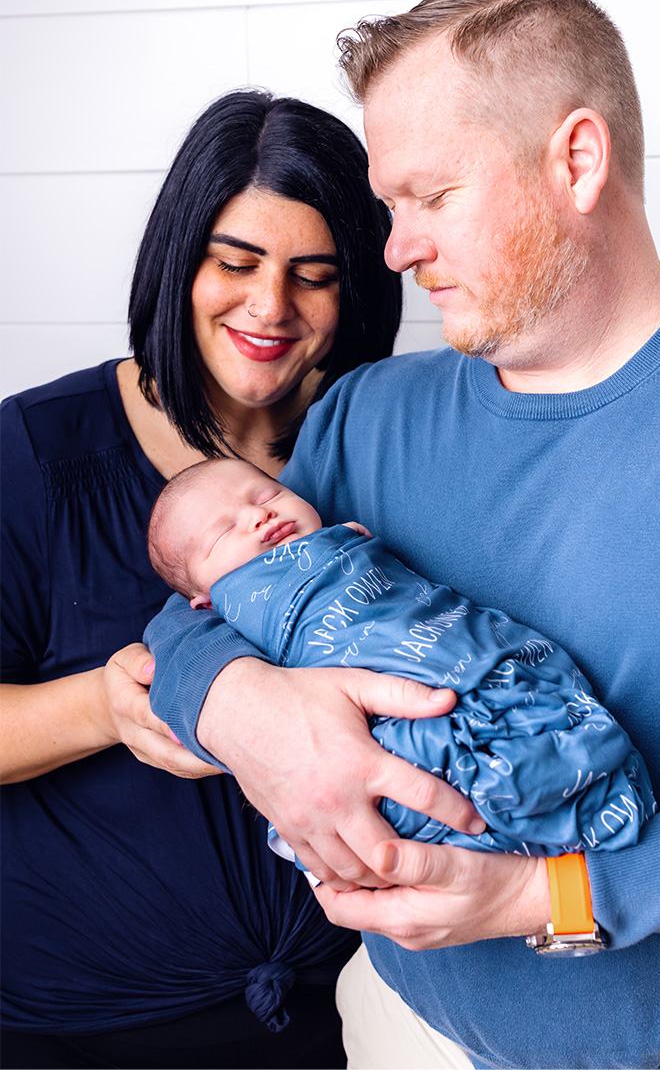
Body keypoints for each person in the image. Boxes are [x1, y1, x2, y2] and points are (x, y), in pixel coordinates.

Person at [136, 0, 660, 1070]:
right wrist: (238, 703)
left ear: (574, 160)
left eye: (428, 197)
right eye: (387, 206)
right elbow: (197, 607)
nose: (391, 250)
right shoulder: (365, 414)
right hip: (407, 1032)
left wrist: (542, 896)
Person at [0, 88, 409, 1069]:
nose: (270, 308)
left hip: (317, 1022)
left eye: (314, 276)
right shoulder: (33, 454)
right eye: (236, 264)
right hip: (70, 1036)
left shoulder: (372, 453)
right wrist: (104, 707)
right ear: (177, 260)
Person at [147, 454, 657, 860]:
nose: (260, 514)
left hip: (465, 652)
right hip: (391, 719)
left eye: (268, 494)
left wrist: (342, 548)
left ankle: (566, 798)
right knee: (420, 776)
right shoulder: (229, 618)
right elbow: (174, 639)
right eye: (223, 531)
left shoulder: (340, 531)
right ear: (208, 605)